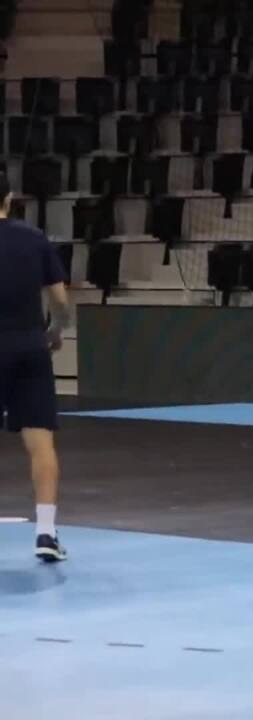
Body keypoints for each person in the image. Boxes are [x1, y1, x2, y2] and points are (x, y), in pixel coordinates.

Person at [0, 175, 71, 561]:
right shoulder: (34, 238)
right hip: (30, 347)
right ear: (9, 198)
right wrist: (56, 331)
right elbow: (59, 299)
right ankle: (45, 533)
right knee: (40, 442)